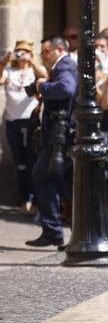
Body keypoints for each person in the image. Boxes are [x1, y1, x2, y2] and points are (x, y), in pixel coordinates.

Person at [25, 36, 77, 247]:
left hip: (61, 138)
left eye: (46, 52)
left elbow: (66, 89)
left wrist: (43, 85)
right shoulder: (63, 66)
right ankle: (64, 233)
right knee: (64, 183)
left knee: (42, 176)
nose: (43, 56)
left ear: (58, 49)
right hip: (58, 136)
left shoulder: (64, 66)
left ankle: (54, 231)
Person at [0, 40, 47, 212]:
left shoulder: (32, 71)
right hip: (12, 121)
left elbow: (44, 75)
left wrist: (31, 60)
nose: (21, 54)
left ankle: (32, 200)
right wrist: (4, 62)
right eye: (19, 51)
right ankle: (24, 199)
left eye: (25, 51)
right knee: (19, 161)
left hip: (29, 120)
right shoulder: (10, 71)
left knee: (31, 161)